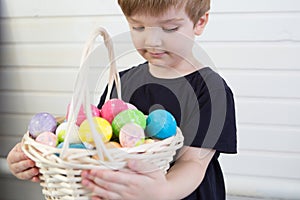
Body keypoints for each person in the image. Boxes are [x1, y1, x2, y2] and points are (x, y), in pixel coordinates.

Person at [7, 0, 237, 199]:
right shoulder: (123, 80)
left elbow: (193, 164)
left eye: (170, 28)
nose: (152, 40)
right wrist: (42, 154)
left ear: (200, 22)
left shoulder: (210, 90)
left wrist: (162, 192)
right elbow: (94, 137)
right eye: (138, 26)